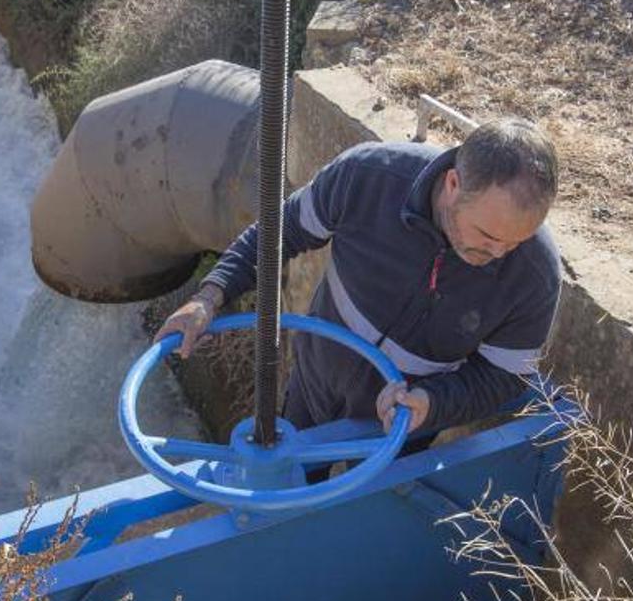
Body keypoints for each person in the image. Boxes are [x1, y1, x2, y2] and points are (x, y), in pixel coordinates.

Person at [153, 118, 561, 446]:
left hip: (401, 427)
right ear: (453, 185)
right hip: (313, 387)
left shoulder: (534, 273)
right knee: (293, 491)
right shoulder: (368, 177)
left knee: (366, 523)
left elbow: (504, 376)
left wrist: (431, 403)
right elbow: (281, 232)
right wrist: (209, 296)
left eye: (516, 242)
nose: (499, 254)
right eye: (488, 236)